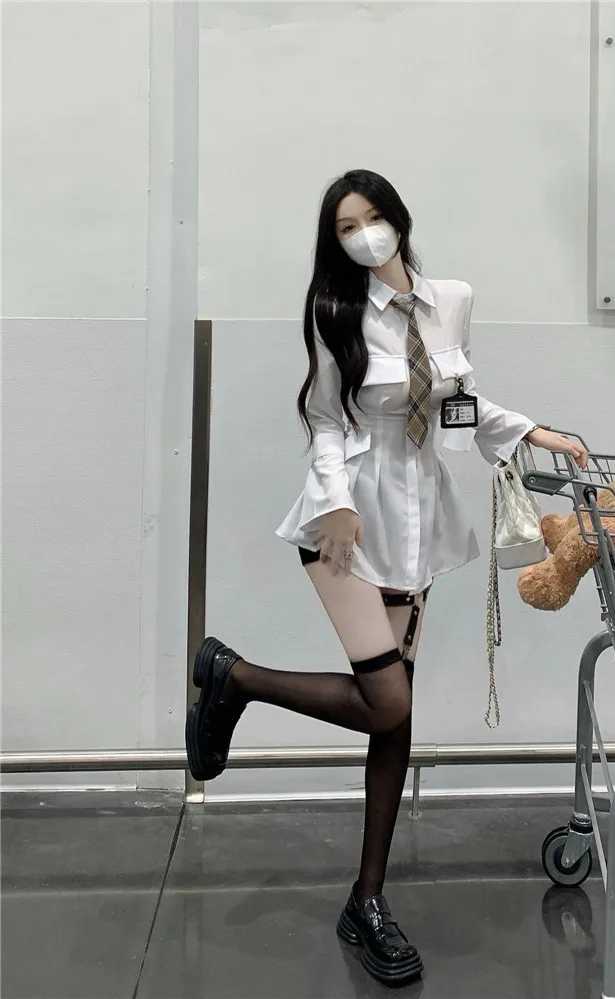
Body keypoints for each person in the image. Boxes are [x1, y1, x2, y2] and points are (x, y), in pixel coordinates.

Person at [185, 169, 588, 986]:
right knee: (391, 701)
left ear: (399, 219)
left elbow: (457, 400)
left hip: (418, 524)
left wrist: (532, 430)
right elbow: (326, 419)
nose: (364, 233)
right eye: (346, 226)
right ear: (335, 241)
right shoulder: (334, 309)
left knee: (391, 718)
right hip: (347, 523)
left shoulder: (453, 299)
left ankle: (367, 898)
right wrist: (335, 503)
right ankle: (236, 677)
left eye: (372, 217)